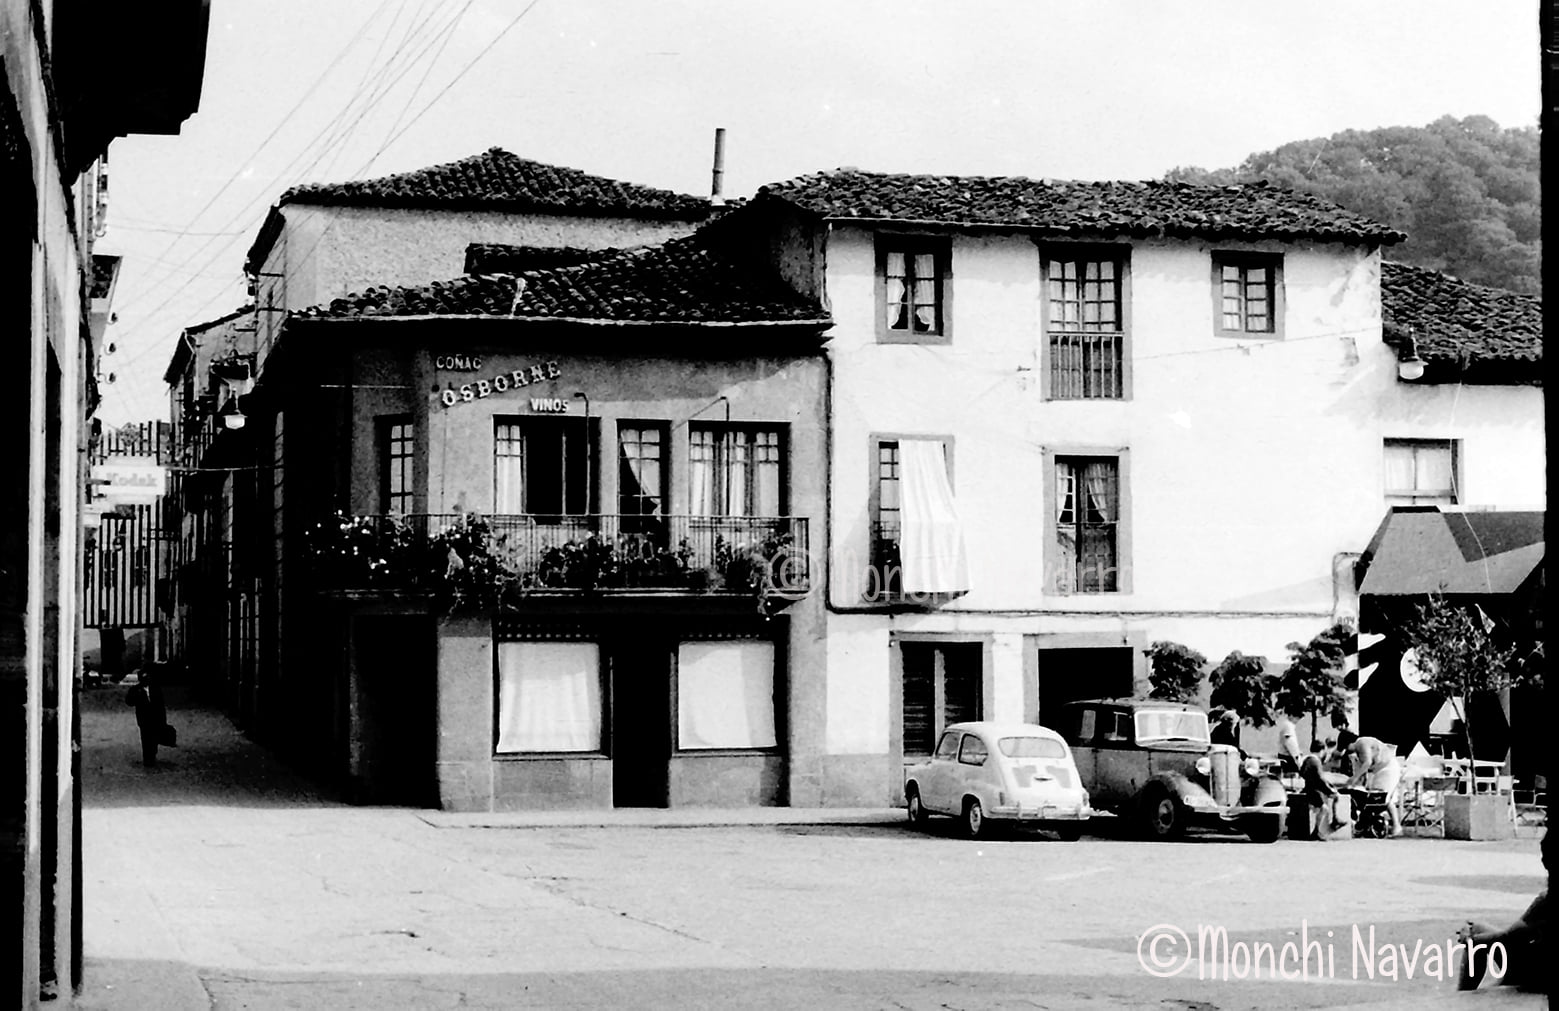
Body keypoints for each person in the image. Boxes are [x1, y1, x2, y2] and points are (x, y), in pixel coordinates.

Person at [1346, 734, 1402, 837]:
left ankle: (1396, 826)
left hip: (1388, 768)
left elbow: (1367, 762)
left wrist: (1354, 778)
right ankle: (1366, 824)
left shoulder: (1362, 743)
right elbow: (1363, 769)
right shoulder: (1357, 752)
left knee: (1383, 797)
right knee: (1372, 798)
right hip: (1378, 770)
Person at [1299, 738, 1346, 839]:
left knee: (1323, 806)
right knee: (1328, 804)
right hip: (1314, 789)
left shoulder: (1307, 759)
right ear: (1321, 750)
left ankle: (1333, 821)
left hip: (1309, 787)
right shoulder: (1316, 761)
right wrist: (1330, 790)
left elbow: (1302, 773)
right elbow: (1320, 779)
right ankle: (1326, 825)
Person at [125, 666, 168, 767]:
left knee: (154, 738)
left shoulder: (156, 689)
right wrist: (136, 696)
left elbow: (161, 705)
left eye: (147, 678)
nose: (145, 680)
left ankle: (152, 754)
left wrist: (163, 719)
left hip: (156, 718)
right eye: (143, 678)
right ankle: (147, 758)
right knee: (145, 738)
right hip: (144, 719)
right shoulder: (135, 689)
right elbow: (129, 702)